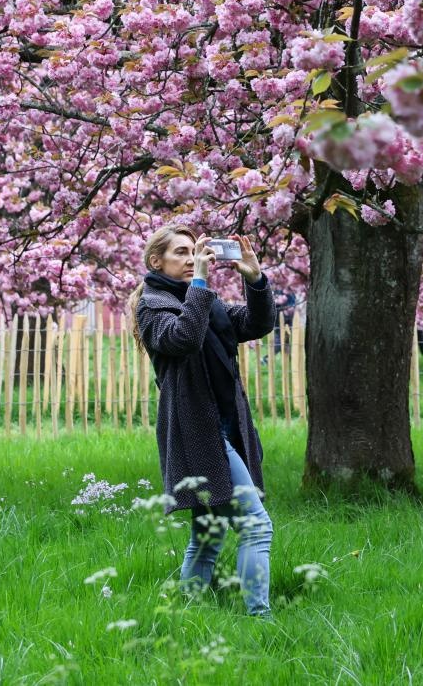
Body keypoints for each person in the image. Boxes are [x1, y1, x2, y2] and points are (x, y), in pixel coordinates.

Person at [128, 222, 277, 618]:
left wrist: (255, 278)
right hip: (198, 431)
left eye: (193, 250)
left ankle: (186, 613)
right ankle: (259, 617)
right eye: (180, 252)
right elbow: (183, 338)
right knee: (257, 526)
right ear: (155, 261)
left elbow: (256, 324)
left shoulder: (204, 301)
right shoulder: (153, 306)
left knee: (209, 533)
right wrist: (199, 281)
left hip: (226, 424)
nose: (191, 257)